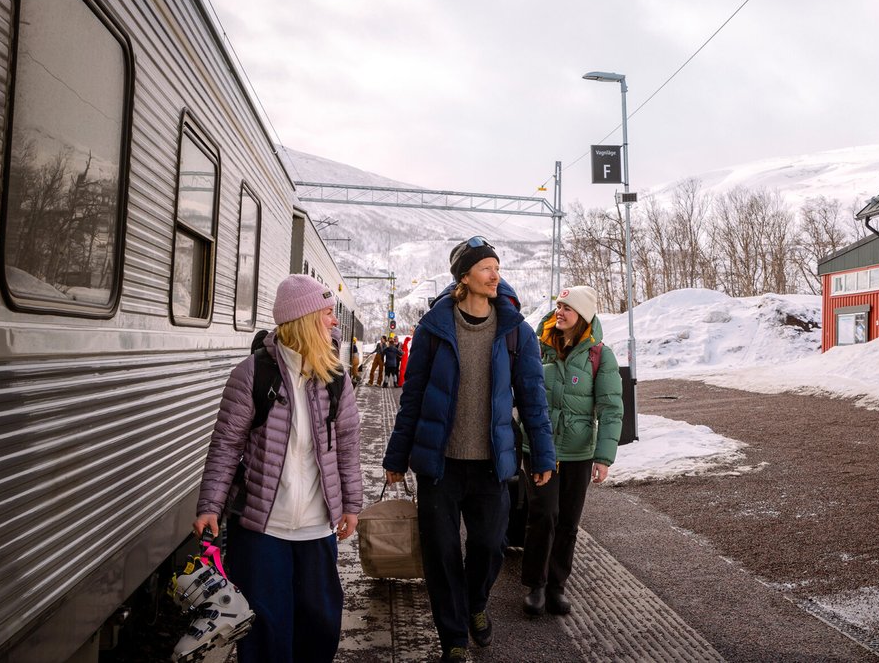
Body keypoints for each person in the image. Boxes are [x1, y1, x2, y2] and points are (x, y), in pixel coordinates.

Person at [382, 237, 555, 663]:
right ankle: (454, 636)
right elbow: (413, 397)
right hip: (440, 466)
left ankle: (476, 602)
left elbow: (533, 398)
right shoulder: (434, 329)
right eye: (486, 268)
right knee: (441, 554)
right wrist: (396, 456)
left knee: (490, 546)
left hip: (491, 466)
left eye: (497, 267)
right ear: (464, 276)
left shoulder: (515, 332)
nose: (496, 275)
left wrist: (543, 454)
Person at [193, 274, 362, 663]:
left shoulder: (336, 378)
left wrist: (352, 504)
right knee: (266, 631)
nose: (333, 321)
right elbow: (226, 445)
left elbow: (348, 445)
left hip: (317, 528)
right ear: (304, 319)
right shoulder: (253, 374)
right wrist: (210, 506)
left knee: (320, 625)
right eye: (326, 313)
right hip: (262, 529)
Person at [520, 286, 623, 617]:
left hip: (578, 453)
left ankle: (557, 586)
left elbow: (611, 409)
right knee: (543, 514)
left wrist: (603, 457)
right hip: (540, 447)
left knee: (568, 522)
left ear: (583, 316)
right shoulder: (538, 347)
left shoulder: (600, 356)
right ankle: (536, 584)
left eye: (567, 307)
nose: (559, 312)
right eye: (558, 305)